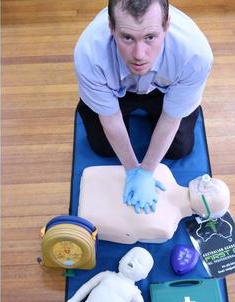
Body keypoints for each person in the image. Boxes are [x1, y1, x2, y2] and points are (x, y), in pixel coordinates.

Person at [74, 0, 213, 215]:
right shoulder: (89, 54)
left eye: (150, 37)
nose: (139, 54)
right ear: (111, 27)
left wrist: (147, 172)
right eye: (127, 37)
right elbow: (110, 119)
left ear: (166, 25)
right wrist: (132, 171)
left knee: (180, 149)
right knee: (103, 148)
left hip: (165, 89)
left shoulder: (195, 55)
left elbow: (171, 118)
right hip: (116, 90)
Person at [77, 164, 230, 244]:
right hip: (84, 220)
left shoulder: (163, 170)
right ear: (203, 215)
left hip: (91, 182)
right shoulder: (165, 229)